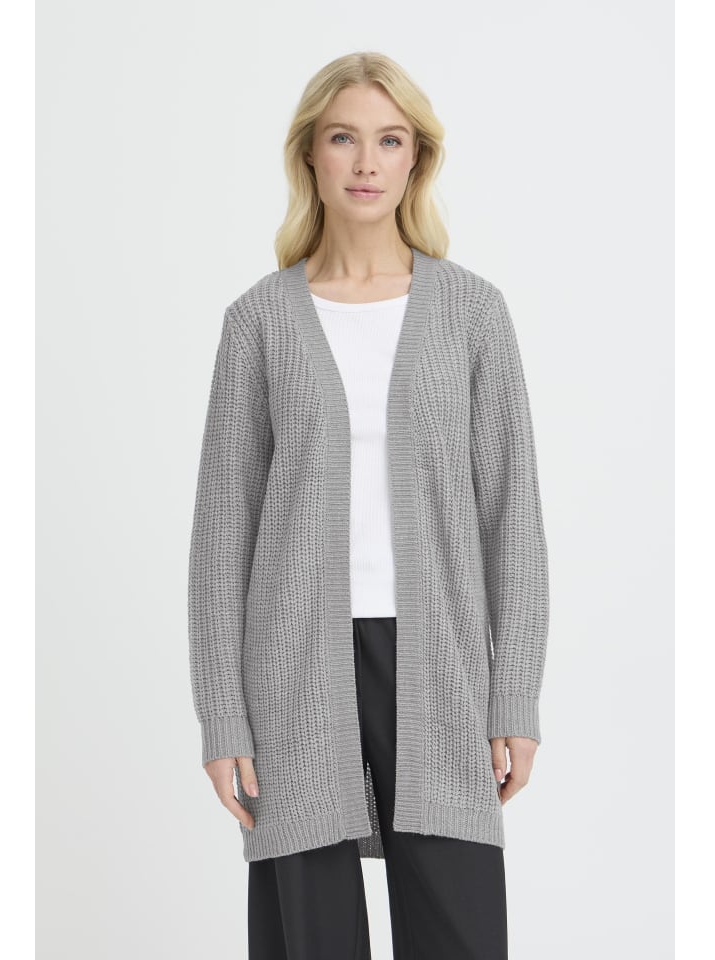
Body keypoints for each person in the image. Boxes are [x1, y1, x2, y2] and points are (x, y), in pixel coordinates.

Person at [188, 50, 549, 960]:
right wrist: (223, 715)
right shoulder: (259, 322)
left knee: (462, 931)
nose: (365, 162)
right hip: (292, 665)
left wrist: (514, 694)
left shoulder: (472, 314)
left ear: (416, 158)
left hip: (441, 663)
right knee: (310, 938)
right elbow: (222, 536)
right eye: (343, 138)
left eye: (389, 141)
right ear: (309, 155)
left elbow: (513, 520)